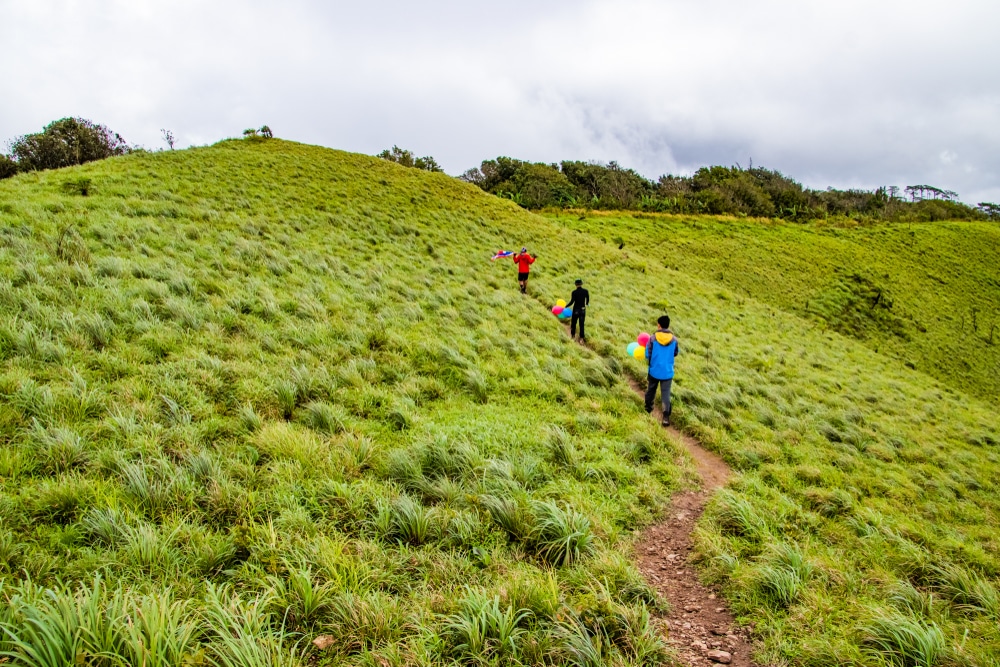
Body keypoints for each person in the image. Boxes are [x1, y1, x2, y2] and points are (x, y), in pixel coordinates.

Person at [645, 315, 679, 426]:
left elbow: (647, 353)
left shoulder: (653, 338)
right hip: (667, 372)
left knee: (651, 389)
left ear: (659, 325)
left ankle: (648, 409)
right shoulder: (674, 339)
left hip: (654, 370)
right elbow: (675, 353)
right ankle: (665, 417)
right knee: (666, 394)